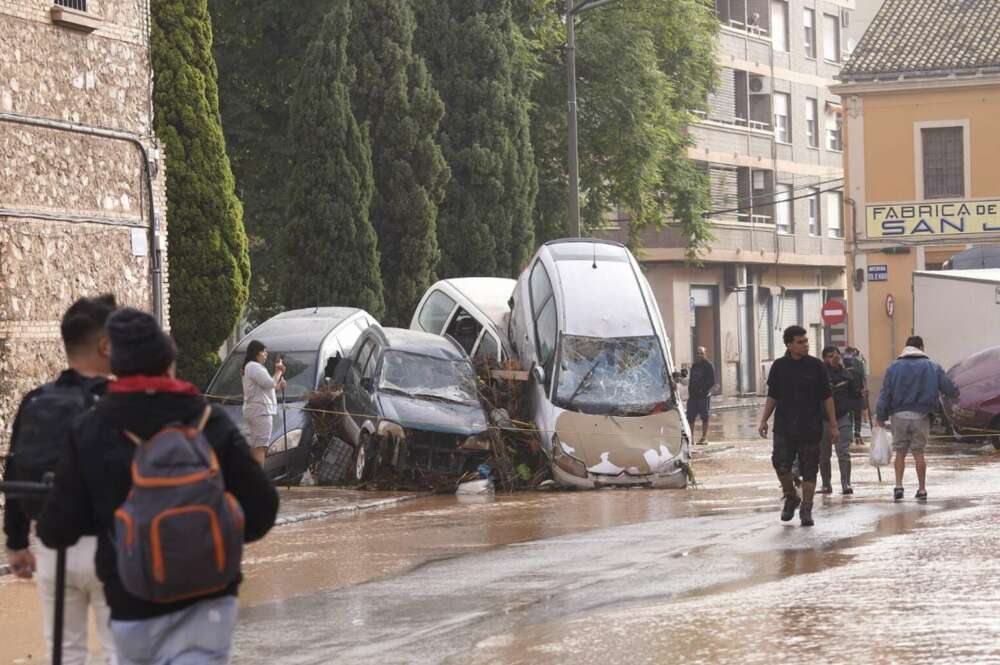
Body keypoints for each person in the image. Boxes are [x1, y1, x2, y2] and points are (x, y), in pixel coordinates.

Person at [37, 308, 279, 665]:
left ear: (116, 366)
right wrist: (206, 535)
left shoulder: (90, 428)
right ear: (170, 361)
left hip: (133, 602)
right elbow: (263, 509)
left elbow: (59, 528)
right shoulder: (210, 422)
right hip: (210, 599)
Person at [3, 295, 117, 665]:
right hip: (112, 546)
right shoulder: (120, 402)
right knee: (123, 652)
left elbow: (14, 467)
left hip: (52, 547)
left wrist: (17, 543)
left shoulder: (36, 399)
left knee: (65, 654)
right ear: (104, 345)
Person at [757, 326, 838, 527]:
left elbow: (827, 398)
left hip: (811, 427)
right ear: (790, 345)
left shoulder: (816, 366)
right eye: (801, 342)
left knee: (810, 469)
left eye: (806, 341)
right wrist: (763, 420)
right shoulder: (779, 366)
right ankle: (791, 496)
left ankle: (807, 508)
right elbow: (773, 396)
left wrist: (834, 426)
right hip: (784, 427)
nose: (805, 345)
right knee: (780, 463)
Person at [876, 335, 958, 502]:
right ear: (921, 347)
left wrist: (881, 416)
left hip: (898, 415)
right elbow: (949, 388)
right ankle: (922, 489)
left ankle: (898, 487)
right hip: (921, 415)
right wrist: (956, 392)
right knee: (918, 452)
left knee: (900, 452)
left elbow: (885, 393)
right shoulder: (932, 366)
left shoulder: (893, 367)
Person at [820, 346, 862, 495]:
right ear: (824, 359)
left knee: (843, 452)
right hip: (823, 419)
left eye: (837, 355)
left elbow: (854, 395)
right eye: (831, 356)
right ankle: (826, 484)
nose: (835, 358)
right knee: (824, 454)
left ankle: (846, 483)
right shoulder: (820, 376)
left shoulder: (847, 375)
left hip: (842, 417)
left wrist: (861, 394)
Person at [241, 339, 286, 465]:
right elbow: (270, 383)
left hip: (254, 410)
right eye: (264, 352)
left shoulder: (249, 367)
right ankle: (258, 480)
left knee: (254, 447)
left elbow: (265, 388)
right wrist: (278, 371)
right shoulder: (254, 366)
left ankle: (252, 479)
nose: (266, 354)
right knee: (260, 447)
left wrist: (278, 387)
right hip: (260, 412)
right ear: (257, 353)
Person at [686, 347, 716, 445]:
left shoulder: (709, 365)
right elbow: (691, 380)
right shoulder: (695, 366)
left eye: (701, 353)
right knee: (690, 417)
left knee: (705, 417)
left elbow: (712, 381)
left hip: (703, 396)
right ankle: (691, 438)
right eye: (698, 353)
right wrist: (690, 392)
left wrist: (703, 389)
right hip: (693, 397)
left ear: (705, 353)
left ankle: (704, 438)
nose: (699, 355)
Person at [843, 346, 869, 442]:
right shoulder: (858, 373)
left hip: (848, 399)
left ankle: (849, 434)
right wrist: (864, 391)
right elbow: (863, 383)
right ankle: (857, 432)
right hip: (857, 398)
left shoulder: (844, 373)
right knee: (857, 417)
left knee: (849, 417)